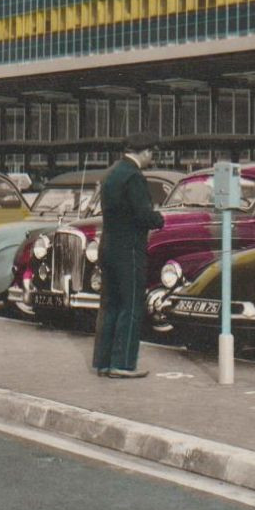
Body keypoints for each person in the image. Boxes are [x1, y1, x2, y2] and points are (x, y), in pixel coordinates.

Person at [91, 132, 166, 378]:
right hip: (129, 249)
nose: (151, 158)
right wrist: (159, 218)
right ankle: (122, 364)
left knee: (109, 305)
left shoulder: (111, 174)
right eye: (151, 153)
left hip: (108, 246)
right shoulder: (134, 177)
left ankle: (102, 362)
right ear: (144, 152)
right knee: (131, 305)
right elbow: (143, 215)